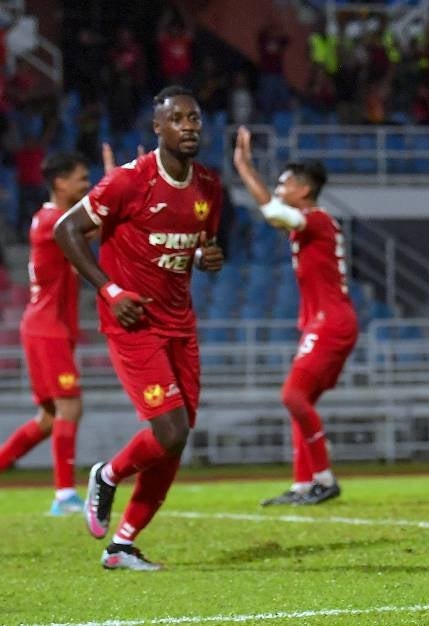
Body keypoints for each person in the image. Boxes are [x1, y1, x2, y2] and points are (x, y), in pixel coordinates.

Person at [54, 86, 224, 570]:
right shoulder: (129, 181)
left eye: (195, 118)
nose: (189, 126)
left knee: (177, 435)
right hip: (132, 320)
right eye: (178, 119)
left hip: (179, 323)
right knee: (169, 428)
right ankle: (107, 475)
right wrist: (110, 291)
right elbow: (66, 230)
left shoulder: (209, 187)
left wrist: (205, 256)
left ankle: (122, 544)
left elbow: (194, 246)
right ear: (158, 127)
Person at [232, 126, 358, 506]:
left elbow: (271, 212)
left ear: (303, 190)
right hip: (325, 322)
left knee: (292, 395)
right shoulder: (310, 225)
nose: (279, 188)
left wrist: (243, 166)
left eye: (284, 183)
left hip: (331, 323)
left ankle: (323, 479)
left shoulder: (315, 219)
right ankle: (303, 484)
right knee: (299, 402)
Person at [0, 152, 90, 515]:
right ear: (60, 182)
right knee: (71, 406)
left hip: (51, 328)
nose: (85, 185)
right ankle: (65, 495)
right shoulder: (53, 221)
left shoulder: (53, 219)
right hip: (47, 329)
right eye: (81, 178)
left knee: (50, 418)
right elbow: (94, 228)